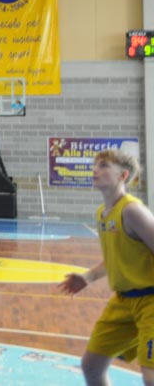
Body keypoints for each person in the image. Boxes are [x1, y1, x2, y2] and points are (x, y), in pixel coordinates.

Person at [59, 149, 153, 385]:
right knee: (92, 366)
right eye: (95, 165)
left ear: (123, 175)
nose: (95, 170)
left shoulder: (132, 211)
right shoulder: (102, 213)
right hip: (124, 301)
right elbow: (116, 258)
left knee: (151, 376)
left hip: (151, 301)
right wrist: (88, 277)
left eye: (103, 166)